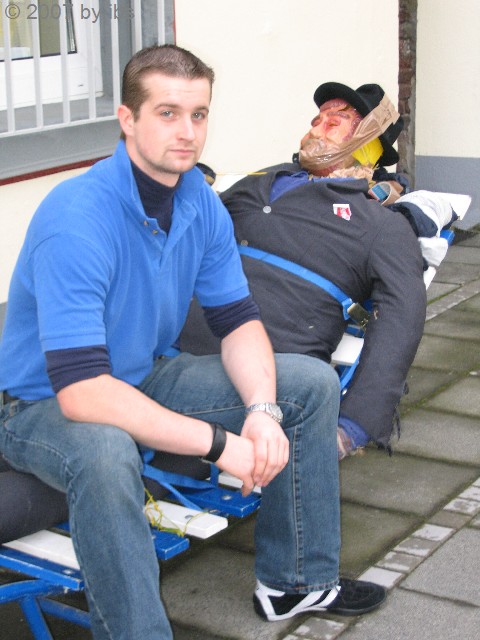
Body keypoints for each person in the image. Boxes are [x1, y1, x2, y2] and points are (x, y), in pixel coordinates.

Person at [0, 47, 386, 639]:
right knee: (104, 450)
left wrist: (261, 410)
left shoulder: (198, 201)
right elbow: (82, 394)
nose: (187, 132)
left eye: (199, 114)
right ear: (128, 119)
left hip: (143, 374)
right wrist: (219, 444)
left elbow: (239, 322)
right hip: (40, 403)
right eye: (167, 113)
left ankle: (294, 582)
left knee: (307, 384)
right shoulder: (77, 217)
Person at [181, 82, 456, 459]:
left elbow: (401, 318)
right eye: (316, 120)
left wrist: (353, 426)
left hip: (258, 374)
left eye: (334, 123)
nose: (316, 129)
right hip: (166, 344)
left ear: (366, 144)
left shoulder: (380, 225)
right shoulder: (261, 181)